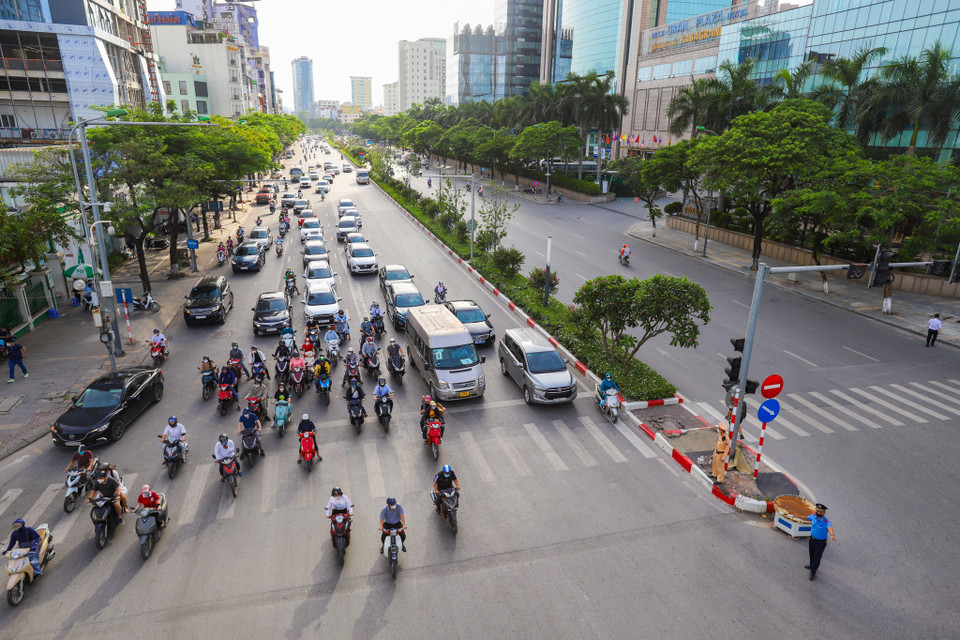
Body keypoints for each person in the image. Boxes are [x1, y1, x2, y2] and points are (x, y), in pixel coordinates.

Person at [805, 503, 838, 581]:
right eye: (818, 510)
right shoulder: (813, 516)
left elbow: (830, 527)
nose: (818, 512)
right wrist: (797, 516)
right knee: (811, 554)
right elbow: (807, 518)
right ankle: (811, 565)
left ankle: (813, 572)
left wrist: (832, 535)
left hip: (820, 543)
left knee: (817, 558)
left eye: (820, 511)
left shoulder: (826, 521)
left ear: (824, 513)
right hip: (812, 540)